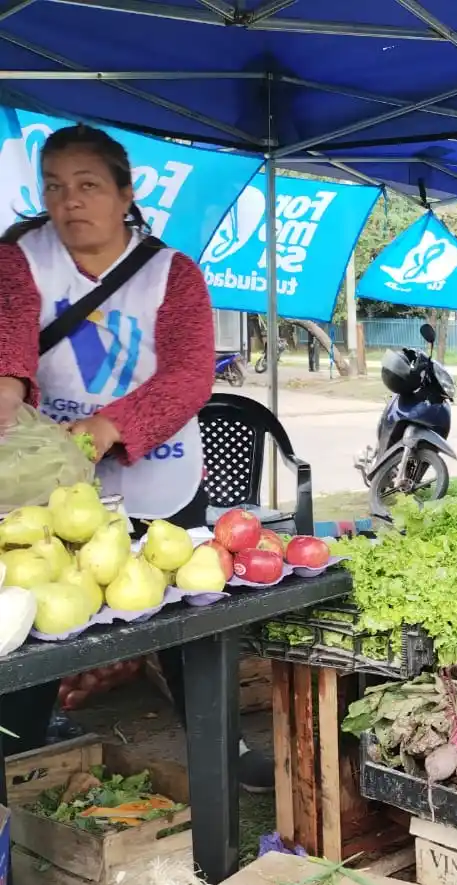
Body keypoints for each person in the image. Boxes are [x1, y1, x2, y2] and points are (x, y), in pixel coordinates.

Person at [0, 124, 274, 792]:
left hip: (159, 471)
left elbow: (187, 377)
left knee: (187, 614)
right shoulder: (19, 259)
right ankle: (17, 757)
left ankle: (225, 745)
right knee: (31, 617)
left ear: (126, 193)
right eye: (56, 186)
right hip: (50, 486)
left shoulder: (170, 273)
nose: (71, 201)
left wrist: (108, 427)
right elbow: (7, 353)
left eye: (89, 184)